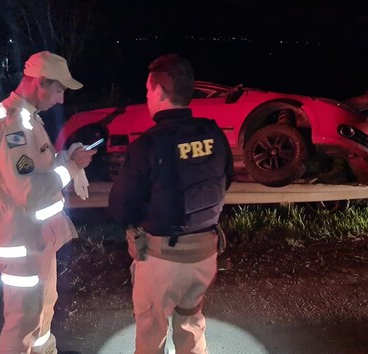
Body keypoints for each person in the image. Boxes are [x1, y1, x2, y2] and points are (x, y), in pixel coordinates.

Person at [109, 54, 234, 354]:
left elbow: (120, 207)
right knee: (191, 326)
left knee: (152, 334)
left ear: (161, 92)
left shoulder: (149, 144)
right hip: (205, 257)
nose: (147, 95)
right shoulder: (214, 134)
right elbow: (225, 181)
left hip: (162, 261)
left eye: (149, 90)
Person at [0, 51, 96, 354]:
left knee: (42, 311)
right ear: (40, 82)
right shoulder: (13, 125)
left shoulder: (28, 118)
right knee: (22, 324)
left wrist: (66, 158)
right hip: (22, 243)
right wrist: (70, 168)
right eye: (59, 90)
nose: (61, 99)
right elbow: (30, 191)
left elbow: (37, 170)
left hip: (37, 240)